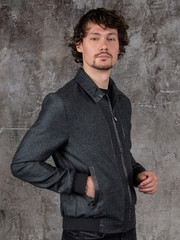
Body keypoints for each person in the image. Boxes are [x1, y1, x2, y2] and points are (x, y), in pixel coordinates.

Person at [11, 8, 158, 240]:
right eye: (94, 38)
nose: (104, 45)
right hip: (86, 233)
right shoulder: (62, 103)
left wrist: (139, 173)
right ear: (80, 45)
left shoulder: (121, 103)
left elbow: (119, 154)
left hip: (126, 228)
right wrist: (80, 183)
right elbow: (22, 163)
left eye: (111, 38)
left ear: (119, 48)